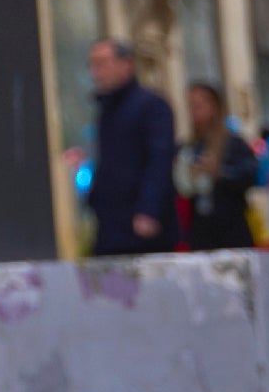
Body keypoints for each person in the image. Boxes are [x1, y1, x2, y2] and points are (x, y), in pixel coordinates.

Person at [86, 38, 179, 256]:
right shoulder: (106, 110)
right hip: (111, 224)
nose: (96, 72)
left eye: (103, 63)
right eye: (93, 65)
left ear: (125, 64)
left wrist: (149, 210)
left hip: (143, 225)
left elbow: (160, 160)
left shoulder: (151, 106)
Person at [181, 80, 259, 251]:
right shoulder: (189, 147)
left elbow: (250, 174)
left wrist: (219, 172)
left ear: (213, 106)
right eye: (191, 106)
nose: (194, 111)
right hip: (201, 228)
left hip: (231, 226)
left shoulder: (233, 143)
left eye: (199, 105)